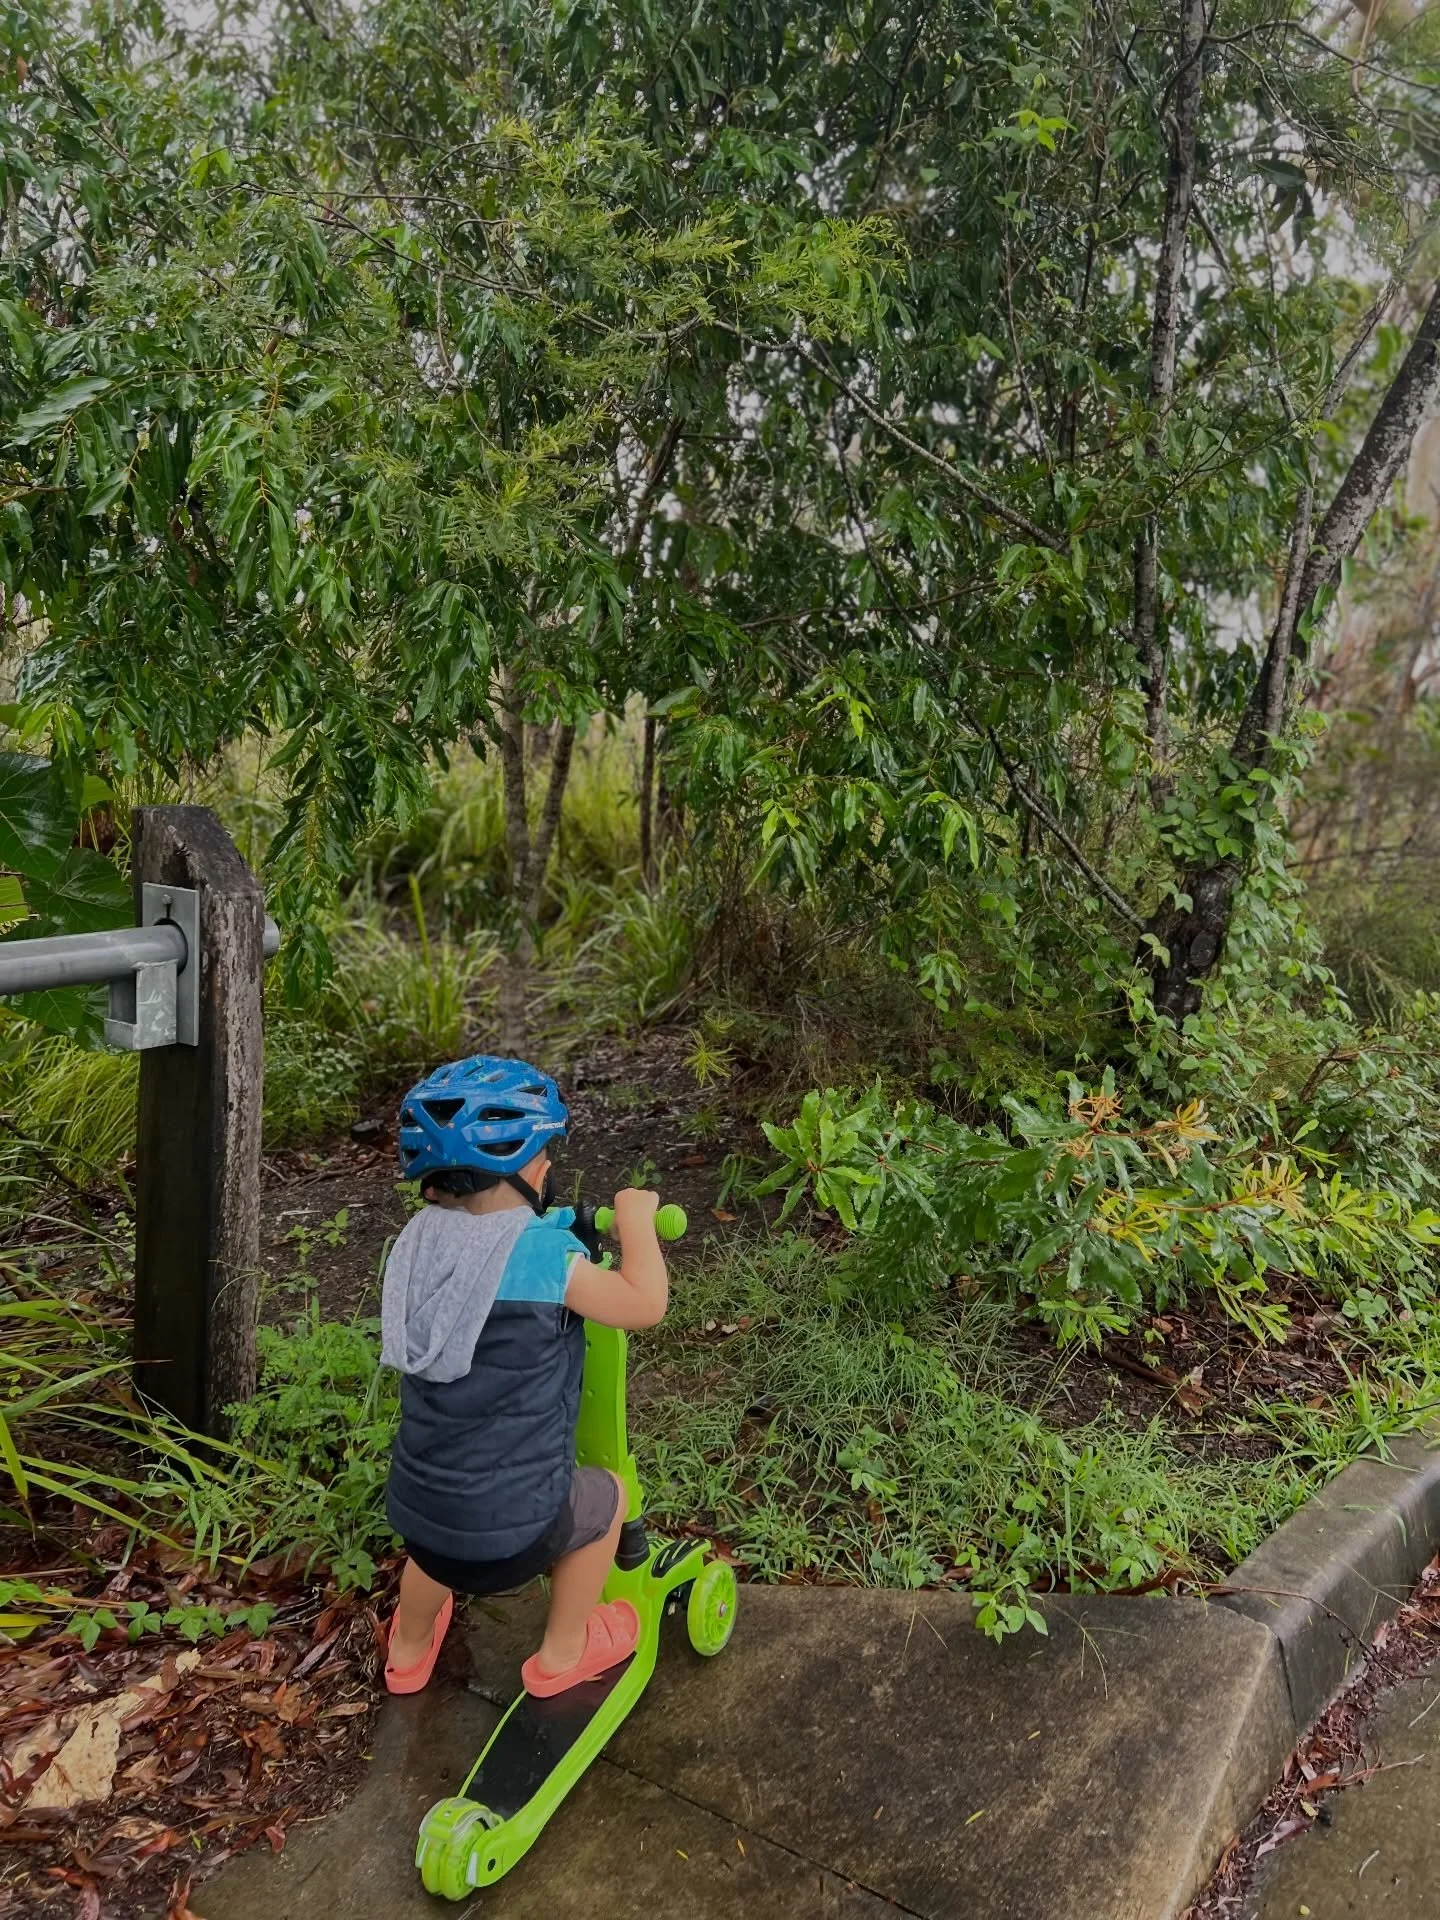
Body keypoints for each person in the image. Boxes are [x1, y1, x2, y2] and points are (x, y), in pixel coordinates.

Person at [378, 1055, 669, 1697]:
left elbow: (489, 1246)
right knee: (605, 1495)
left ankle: (408, 1649)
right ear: (528, 1167)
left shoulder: (417, 1244)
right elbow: (644, 1305)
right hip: (517, 1538)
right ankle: (563, 1654)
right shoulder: (544, 1257)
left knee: (440, 1533)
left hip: (419, 1522)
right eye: (544, 1156)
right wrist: (637, 1220)